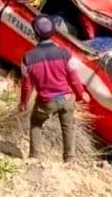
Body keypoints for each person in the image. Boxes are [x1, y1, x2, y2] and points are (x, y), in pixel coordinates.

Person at [19, 15, 90, 162]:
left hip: (46, 102)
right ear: (53, 32)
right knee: (68, 127)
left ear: (35, 34)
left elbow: (27, 85)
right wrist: (81, 94)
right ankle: (70, 159)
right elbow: (73, 78)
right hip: (66, 99)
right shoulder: (65, 54)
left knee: (36, 123)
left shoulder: (28, 58)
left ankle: (35, 156)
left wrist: (24, 102)